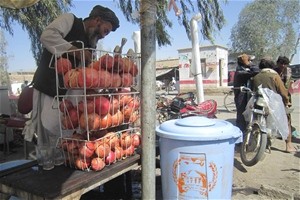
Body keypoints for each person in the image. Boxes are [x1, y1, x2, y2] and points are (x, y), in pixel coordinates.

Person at [29, 5, 120, 147]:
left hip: (70, 98)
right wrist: (74, 51)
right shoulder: (70, 20)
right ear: (97, 20)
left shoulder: (91, 43)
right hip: (49, 88)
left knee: (67, 134)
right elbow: (47, 36)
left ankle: (64, 160)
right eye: (105, 31)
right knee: (48, 131)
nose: (103, 36)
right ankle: (48, 163)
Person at [252, 58, 296, 153]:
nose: (283, 65)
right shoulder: (274, 76)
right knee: (286, 121)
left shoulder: (256, 76)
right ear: (274, 65)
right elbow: (283, 92)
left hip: (258, 103)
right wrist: (287, 102)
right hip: (273, 104)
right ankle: (288, 145)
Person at [233, 53, 259, 132]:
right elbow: (256, 71)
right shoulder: (240, 72)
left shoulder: (243, 70)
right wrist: (248, 63)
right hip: (241, 96)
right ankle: (240, 135)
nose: (251, 62)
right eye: (249, 61)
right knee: (241, 115)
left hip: (245, 95)